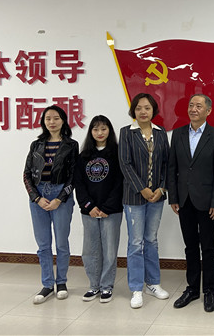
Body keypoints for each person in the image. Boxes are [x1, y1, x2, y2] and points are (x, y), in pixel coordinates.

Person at [168, 94, 214, 312]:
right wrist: (173, 197)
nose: (193, 109)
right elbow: (172, 168)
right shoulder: (178, 133)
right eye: (191, 105)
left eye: (198, 106)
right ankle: (192, 289)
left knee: (208, 247)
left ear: (208, 111)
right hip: (184, 200)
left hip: (207, 202)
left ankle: (209, 290)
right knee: (190, 246)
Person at [119, 93, 170, 309]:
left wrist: (161, 188)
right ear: (133, 110)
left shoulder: (160, 133)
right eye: (139, 108)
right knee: (135, 242)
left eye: (147, 108)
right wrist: (142, 189)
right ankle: (136, 288)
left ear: (153, 110)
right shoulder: (126, 132)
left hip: (157, 196)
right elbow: (125, 163)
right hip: (134, 197)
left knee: (151, 240)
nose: (143, 112)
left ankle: (153, 283)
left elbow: (167, 163)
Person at [23, 105, 78, 304]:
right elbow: (26, 174)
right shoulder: (36, 145)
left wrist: (59, 199)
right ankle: (47, 284)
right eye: (48, 119)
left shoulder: (71, 145)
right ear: (43, 122)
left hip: (60, 194)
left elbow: (74, 177)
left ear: (63, 121)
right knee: (43, 244)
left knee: (61, 243)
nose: (52, 122)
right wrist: (36, 198)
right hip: (39, 196)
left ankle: (61, 282)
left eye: (56, 118)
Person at [74, 115, 123, 303]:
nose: (100, 133)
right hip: (89, 211)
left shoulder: (117, 153)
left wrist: (107, 207)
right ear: (91, 132)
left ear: (109, 130)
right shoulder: (83, 156)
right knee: (90, 250)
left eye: (103, 129)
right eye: (95, 129)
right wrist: (89, 206)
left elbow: (120, 183)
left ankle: (106, 286)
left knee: (110, 250)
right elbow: (79, 183)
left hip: (111, 210)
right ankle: (94, 285)